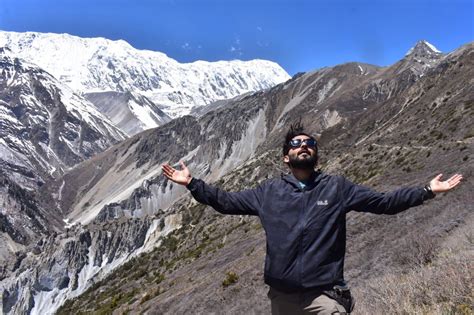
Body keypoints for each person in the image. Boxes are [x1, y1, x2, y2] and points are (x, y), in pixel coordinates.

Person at [161, 123, 463, 315]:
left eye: (309, 143)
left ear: (316, 155)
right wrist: (192, 184)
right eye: (296, 143)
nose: (303, 145)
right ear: (285, 157)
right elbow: (226, 202)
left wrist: (427, 191)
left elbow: (384, 203)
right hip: (281, 298)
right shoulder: (269, 192)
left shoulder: (338, 188)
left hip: (324, 295)